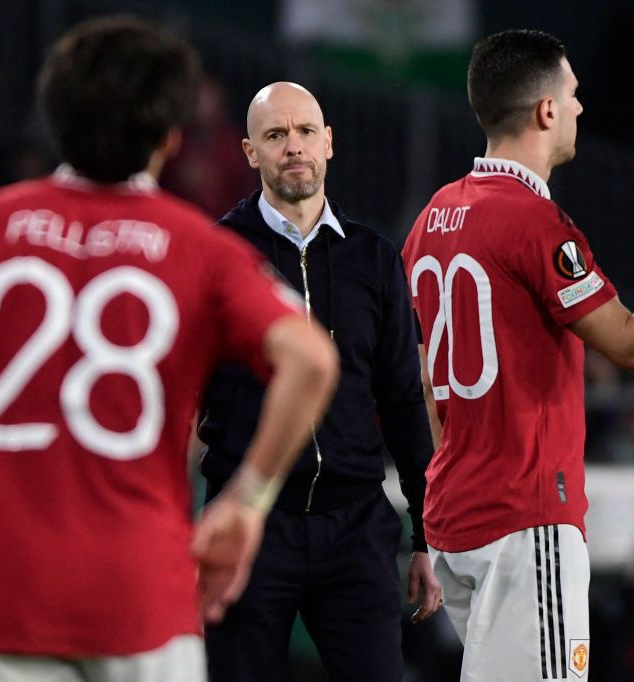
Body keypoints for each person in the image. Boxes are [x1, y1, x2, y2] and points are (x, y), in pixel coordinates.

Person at [0, 16, 339, 682]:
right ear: (168, 137)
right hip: (140, 595)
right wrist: (246, 502)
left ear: (52, 117)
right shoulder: (201, 250)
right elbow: (312, 360)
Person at [402, 29, 634, 682]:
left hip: (455, 516)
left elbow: (426, 378)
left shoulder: (433, 216)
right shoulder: (536, 224)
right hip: (523, 520)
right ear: (543, 111)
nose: (579, 109)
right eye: (571, 96)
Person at [197, 81, 440, 682]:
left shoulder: (375, 257)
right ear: (250, 152)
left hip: (357, 529)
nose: (294, 147)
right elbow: (182, 393)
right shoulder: (218, 253)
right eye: (276, 135)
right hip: (253, 524)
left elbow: (405, 399)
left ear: (329, 144)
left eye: (306, 132)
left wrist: (426, 535)